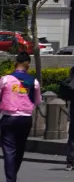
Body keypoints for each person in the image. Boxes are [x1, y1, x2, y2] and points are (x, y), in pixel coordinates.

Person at [0, 53, 40, 182]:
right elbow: (38, 101)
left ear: (15, 63)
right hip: (25, 119)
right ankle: (12, 175)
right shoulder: (33, 81)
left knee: (9, 150)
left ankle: (11, 178)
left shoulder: (5, 79)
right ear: (28, 65)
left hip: (8, 118)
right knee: (20, 148)